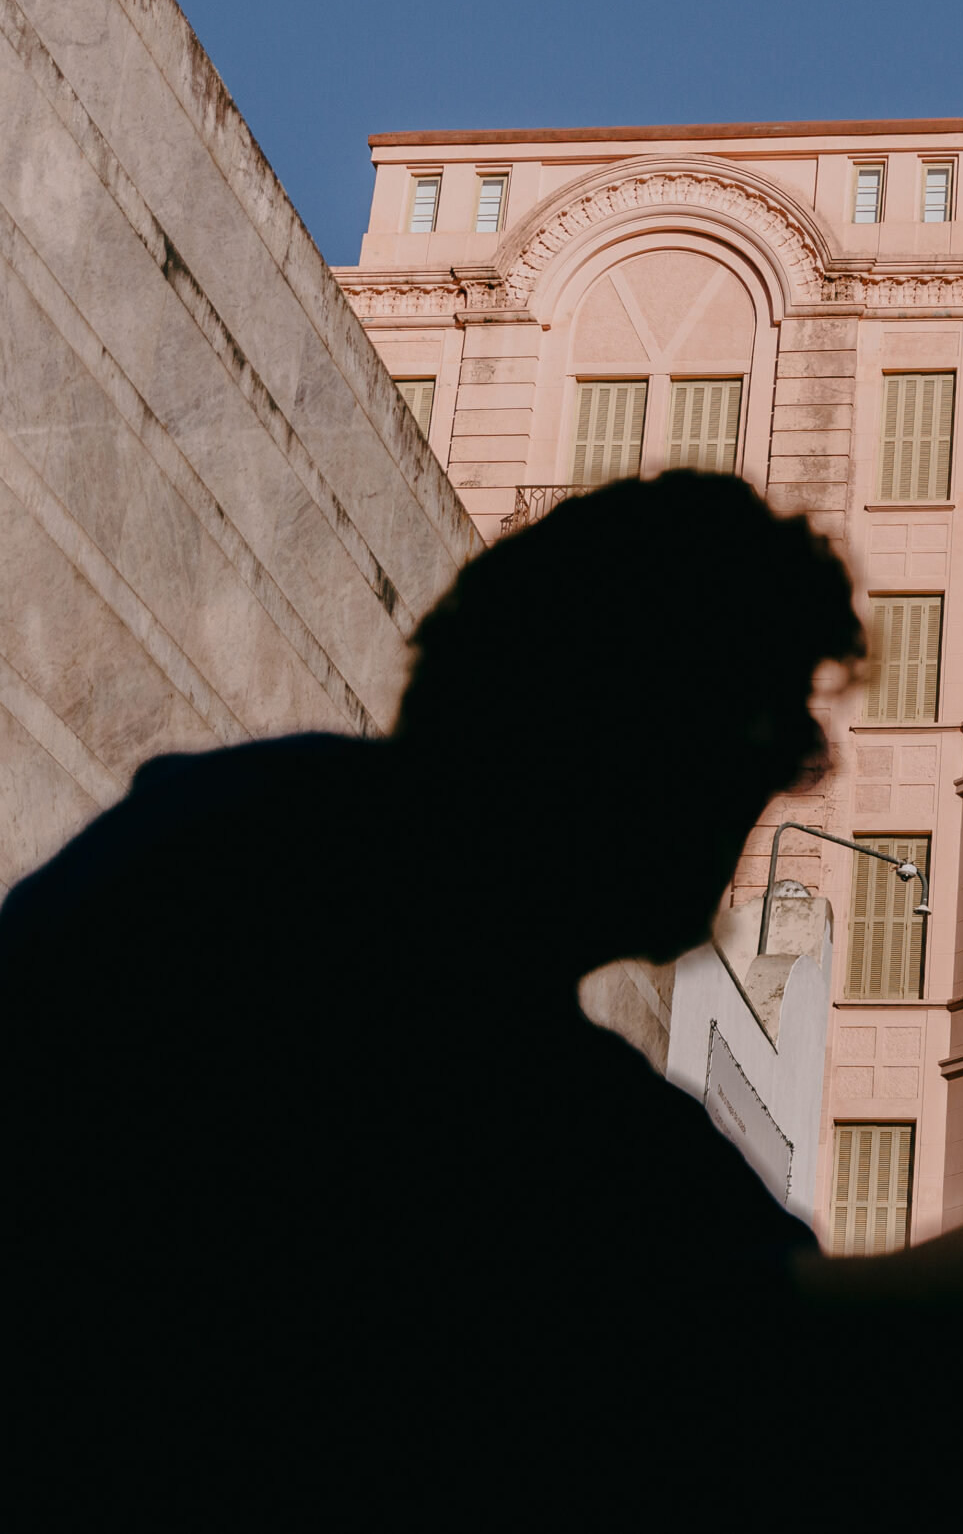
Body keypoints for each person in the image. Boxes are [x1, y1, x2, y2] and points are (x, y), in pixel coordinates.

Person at [2, 472, 862, 1515]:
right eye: (762, 737)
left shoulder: (240, 837)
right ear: (635, 727)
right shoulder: (338, 934)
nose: (766, 796)